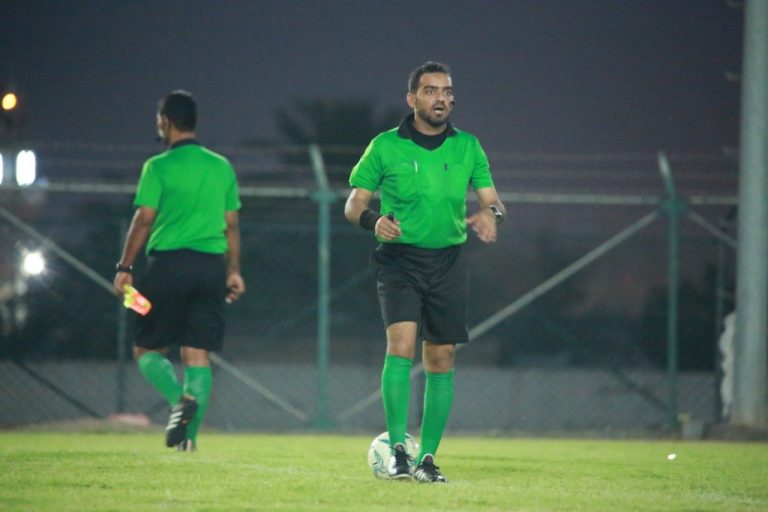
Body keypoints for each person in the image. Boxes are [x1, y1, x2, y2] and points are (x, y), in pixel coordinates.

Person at [345, 62, 506, 483]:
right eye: (431, 90)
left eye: (447, 92)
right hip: (399, 261)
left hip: (448, 262)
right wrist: (373, 221)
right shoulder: (385, 145)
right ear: (412, 98)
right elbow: (354, 204)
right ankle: (398, 451)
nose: (441, 98)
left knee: (441, 356)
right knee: (400, 345)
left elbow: (493, 201)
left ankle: (427, 459)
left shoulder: (468, 147)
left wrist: (490, 215)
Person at [113, 90, 245, 452]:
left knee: (146, 348)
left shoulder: (157, 167)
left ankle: (179, 401)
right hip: (211, 269)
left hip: (168, 268)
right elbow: (232, 224)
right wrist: (234, 271)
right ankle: (188, 441)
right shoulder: (221, 166)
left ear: (165, 121)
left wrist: (125, 267)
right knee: (197, 356)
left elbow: (144, 219)